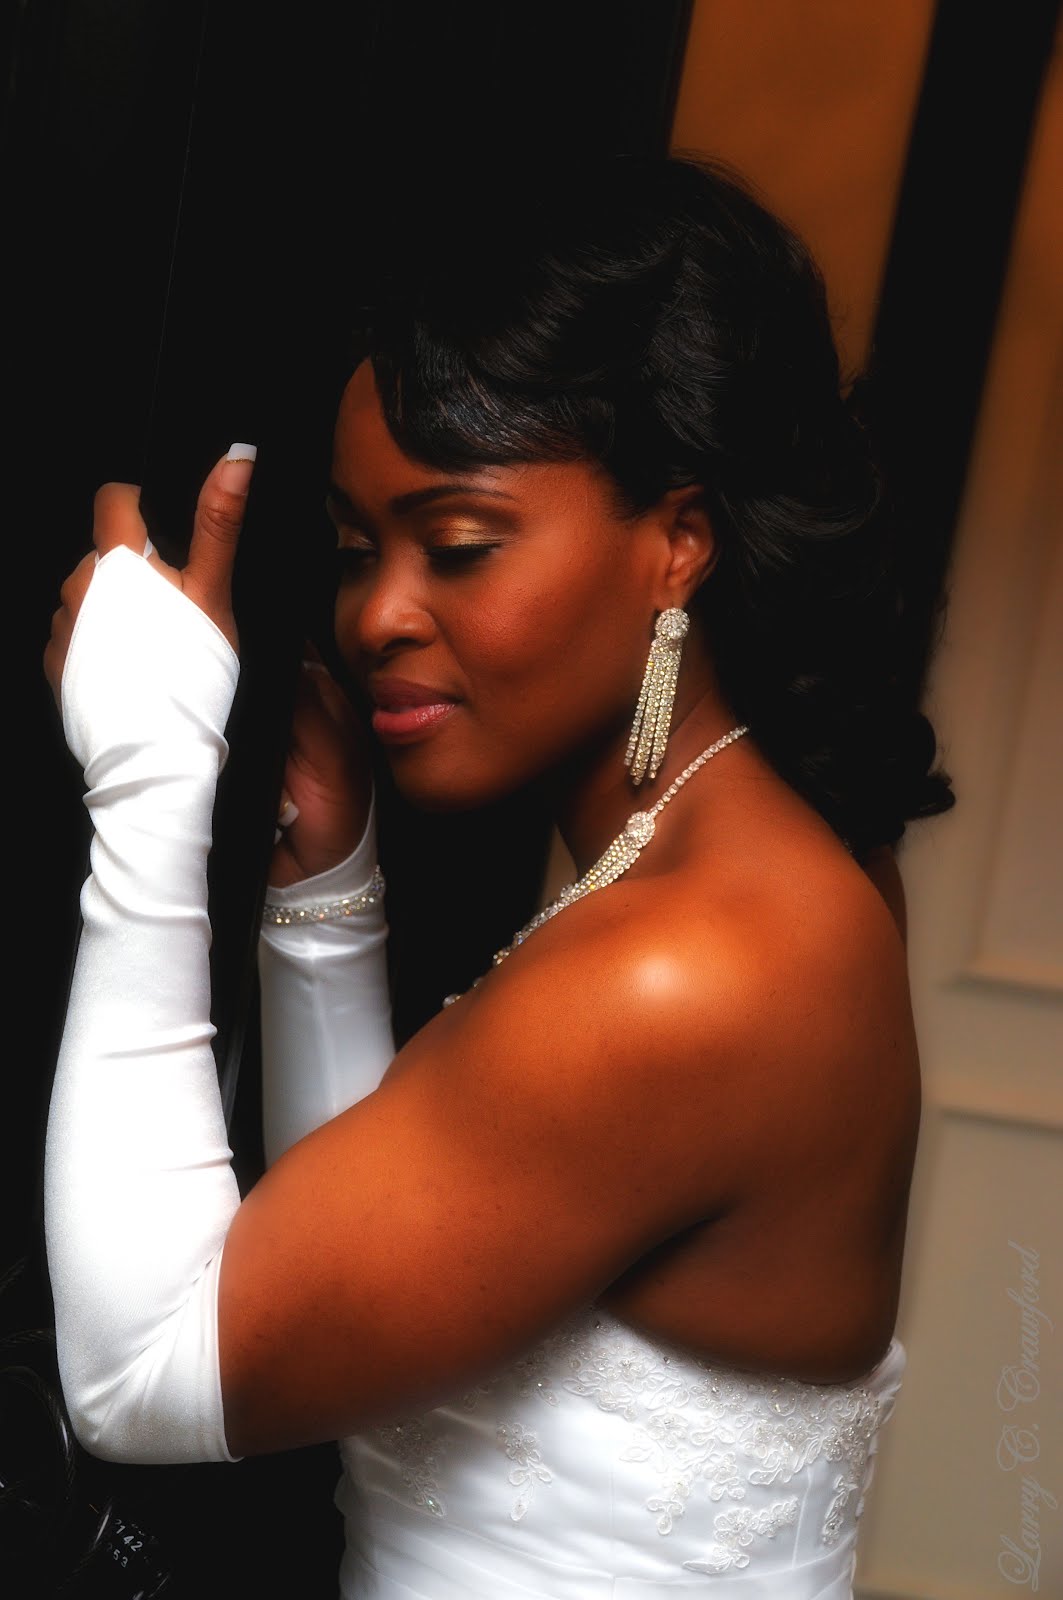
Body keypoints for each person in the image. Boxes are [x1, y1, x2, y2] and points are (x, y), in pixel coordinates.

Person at [43, 153, 953, 1598]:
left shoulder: (689, 969)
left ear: (680, 541)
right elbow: (376, 1261)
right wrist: (325, 890)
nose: (377, 615)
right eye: (358, 548)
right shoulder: (754, 866)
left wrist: (147, 774)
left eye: (458, 546)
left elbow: (147, 1371)